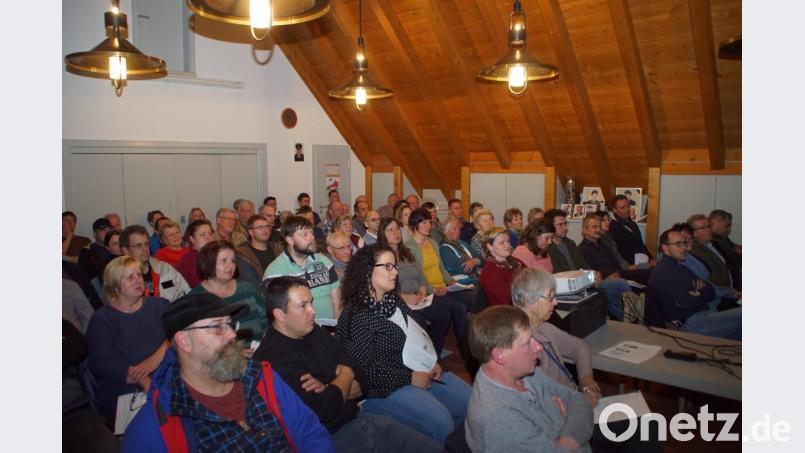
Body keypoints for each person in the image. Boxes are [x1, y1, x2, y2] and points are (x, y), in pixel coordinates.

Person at [121, 292, 332, 452]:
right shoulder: (156, 426)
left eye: (230, 325)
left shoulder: (259, 376)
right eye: (217, 327)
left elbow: (309, 431)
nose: (232, 335)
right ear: (184, 341)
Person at [255, 277, 442, 453]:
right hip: (332, 439)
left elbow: (361, 377)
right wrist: (345, 374)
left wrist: (332, 387)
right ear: (279, 314)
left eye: (311, 302)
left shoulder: (314, 331)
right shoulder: (271, 360)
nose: (313, 311)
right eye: (303, 306)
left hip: (362, 418)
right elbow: (324, 410)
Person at [336, 245, 471, 444]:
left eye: (395, 266)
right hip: (382, 387)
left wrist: (429, 360)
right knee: (440, 423)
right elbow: (364, 371)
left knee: (469, 401)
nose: (396, 272)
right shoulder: (356, 316)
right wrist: (409, 378)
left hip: (417, 369)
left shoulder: (393, 301)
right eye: (388, 266)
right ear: (367, 271)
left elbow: (417, 337)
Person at [465, 305, 594, 452]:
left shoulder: (525, 372)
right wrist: (561, 419)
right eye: (527, 343)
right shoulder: (499, 418)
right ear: (499, 355)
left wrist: (565, 439)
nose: (538, 347)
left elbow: (578, 400)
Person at [87, 256, 170, 425]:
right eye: (130, 277)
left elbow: (178, 335)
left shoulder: (160, 305)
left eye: (139, 275)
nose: (138, 280)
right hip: (125, 384)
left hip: (166, 371)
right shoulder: (102, 319)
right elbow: (100, 363)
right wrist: (141, 377)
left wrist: (152, 362)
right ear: (115, 285)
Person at [380, 217, 470, 364]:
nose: (396, 233)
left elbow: (421, 275)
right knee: (419, 321)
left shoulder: (406, 252)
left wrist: (422, 291)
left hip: (418, 297)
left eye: (397, 229)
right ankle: (424, 361)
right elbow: (381, 287)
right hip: (397, 301)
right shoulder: (380, 256)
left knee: (443, 313)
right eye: (390, 230)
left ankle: (435, 354)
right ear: (382, 234)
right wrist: (405, 297)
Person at [648, 229, 741, 340]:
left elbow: (710, 291)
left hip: (702, 315)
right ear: (665, 248)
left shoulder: (680, 267)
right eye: (678, 244)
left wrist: (697, 293)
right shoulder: (663, 273)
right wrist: (700, 292)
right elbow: (690, 304)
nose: (684, 248)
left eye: (684, 243)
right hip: (691, 324)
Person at [263, 215, 342, 320]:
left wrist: (336, 328)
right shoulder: (276, 272)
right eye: (305, 234)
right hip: (298, 333)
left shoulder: (324, 261)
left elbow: (336, 299)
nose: (312, 237)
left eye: (311, 232)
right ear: (290, 240)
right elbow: (279, 313)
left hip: (330, 329)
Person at [190, 240, 268, 344]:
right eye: (224, 261)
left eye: (233, 261)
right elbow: (199, 343)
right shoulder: (196, 298)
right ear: (207, 263)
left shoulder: (247, 287)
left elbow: (265, 320)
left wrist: (265, 343)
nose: (230, 266)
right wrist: (236, 351)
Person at [120, 225, 190, 302]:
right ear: (125, 251)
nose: (145, 249)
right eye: (138, 246)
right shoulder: (119, 276)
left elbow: (185, 292)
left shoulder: (164, 268)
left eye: (146, 244)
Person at [578, 215, 651, 286]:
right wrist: (607, 277)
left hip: (618, 275)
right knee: (621, 282)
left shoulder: (604, 246)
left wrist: (617, 273)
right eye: (594, 227)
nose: (598, 230)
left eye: (599, 227)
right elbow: (587, 272)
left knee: (648, 273)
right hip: (603, 281)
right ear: (585, 230)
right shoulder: (582, 250)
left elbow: (616, 264)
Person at [688, 214, 738, 290]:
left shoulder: (715, 243)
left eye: (709, 226)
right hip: (721, 294)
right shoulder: (695, 251)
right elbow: (706, 277)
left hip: (733, 289)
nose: (708, 230)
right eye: (703, 228)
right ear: (693, 233)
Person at [478, 227, 524, 306]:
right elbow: (510, 299)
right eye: (502, 243)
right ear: (490, 247)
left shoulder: (515, 261)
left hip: (524, 303)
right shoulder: (489, 271)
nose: (507, 245)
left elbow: (532, 277)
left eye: (508, 241)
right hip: (506, 314)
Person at [235, 214, 280, 288]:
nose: (265, 230)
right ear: (251, 232)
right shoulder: (242, 255)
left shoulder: (278, 249)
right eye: (260, 227)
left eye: (267, 226)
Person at [609, 195, 654, 266]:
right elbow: (618, 252)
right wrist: (628, 267)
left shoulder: (633, 224)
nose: (627, 209)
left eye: (628, 206)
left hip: (642, 261)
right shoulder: (613, 227)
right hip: (630, 265)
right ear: (614, 210)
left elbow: (641, 245)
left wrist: (651, 259)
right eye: (622, 208)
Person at [439, 217, 481, 285]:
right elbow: (465, 269)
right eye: (454, 229)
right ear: (445, 232)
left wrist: (475, 261)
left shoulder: (462, 242)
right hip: (462, 284)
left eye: (459, 229)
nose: (458, 231)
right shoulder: (444, 249)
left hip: (474, 280)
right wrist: (477, 262)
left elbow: (481, 259)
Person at [175, 219, 214, 289]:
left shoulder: (214, 254)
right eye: (203, 235)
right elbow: (202, 289)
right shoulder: (188, 262)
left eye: (210, 234)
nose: (208, 238)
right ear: (192, 239)